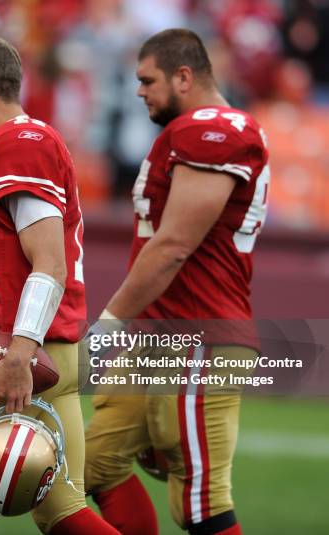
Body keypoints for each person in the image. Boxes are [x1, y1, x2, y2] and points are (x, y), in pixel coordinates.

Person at [0, 35, 120, 535]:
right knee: (61, 510)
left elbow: (48, 264)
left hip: (23, 351)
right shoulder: (20, 141)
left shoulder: (16, 143)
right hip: (52, 347)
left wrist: (18, 353)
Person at [84, 29, 270, 535]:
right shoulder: (192, 131)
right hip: (158, 333)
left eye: (148, 80)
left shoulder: (214, 129)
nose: (139, 91)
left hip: (198, 336)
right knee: (89, 469)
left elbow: (172, 247)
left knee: (201, 505)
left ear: (184, 76)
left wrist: (107, 325)